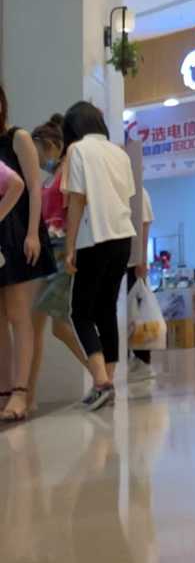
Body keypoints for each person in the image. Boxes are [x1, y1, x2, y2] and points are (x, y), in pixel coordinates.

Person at [62, 100, 136, 412]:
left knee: (80, 312)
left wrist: (69, 246)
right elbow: (127, 196)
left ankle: (102, 382)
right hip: (123, 237)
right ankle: (107, 384)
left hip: (94, 238)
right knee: (106, 310)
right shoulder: (119, 153)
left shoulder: (78, 150)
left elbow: (77, 200)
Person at [0, 83, 56, 425]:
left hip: (20, 235)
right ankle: (5, 390)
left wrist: (33, 233)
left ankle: (21, 392)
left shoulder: (17, 138)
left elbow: (34, 187)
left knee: (19, 315)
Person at [28, 117, 90, 412]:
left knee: (57, 326)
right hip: (47, 254)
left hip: (61, 250)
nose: (38, 160)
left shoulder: (66, 172)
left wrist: (70, 250)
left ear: (51, 146)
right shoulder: (51, 178)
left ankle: (100, 375)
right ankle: (28, 395)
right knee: (38, 327)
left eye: (39, 152)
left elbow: (75, 210)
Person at [125, 173, 157, 386]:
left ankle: (143, 359)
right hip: (122, 260)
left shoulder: (140, 193)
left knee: (138, 311)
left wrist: (141, 259)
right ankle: (132, 357)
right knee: (129, 312)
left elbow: (145, 226)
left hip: (133, 262)